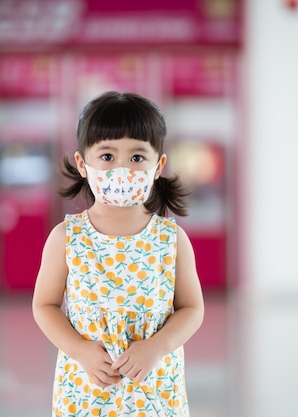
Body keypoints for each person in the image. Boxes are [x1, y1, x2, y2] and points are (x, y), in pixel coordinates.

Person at [32, 91, 204, 416]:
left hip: (153, 389)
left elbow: (192, 308)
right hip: (86, 389)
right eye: (107, 157)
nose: (122, 169)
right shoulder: (66, 238)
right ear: (83, 164)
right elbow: (44, 305)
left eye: (137, 158)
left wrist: (157, 347)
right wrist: (79, 350)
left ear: (158, 166)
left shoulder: (172, 240)